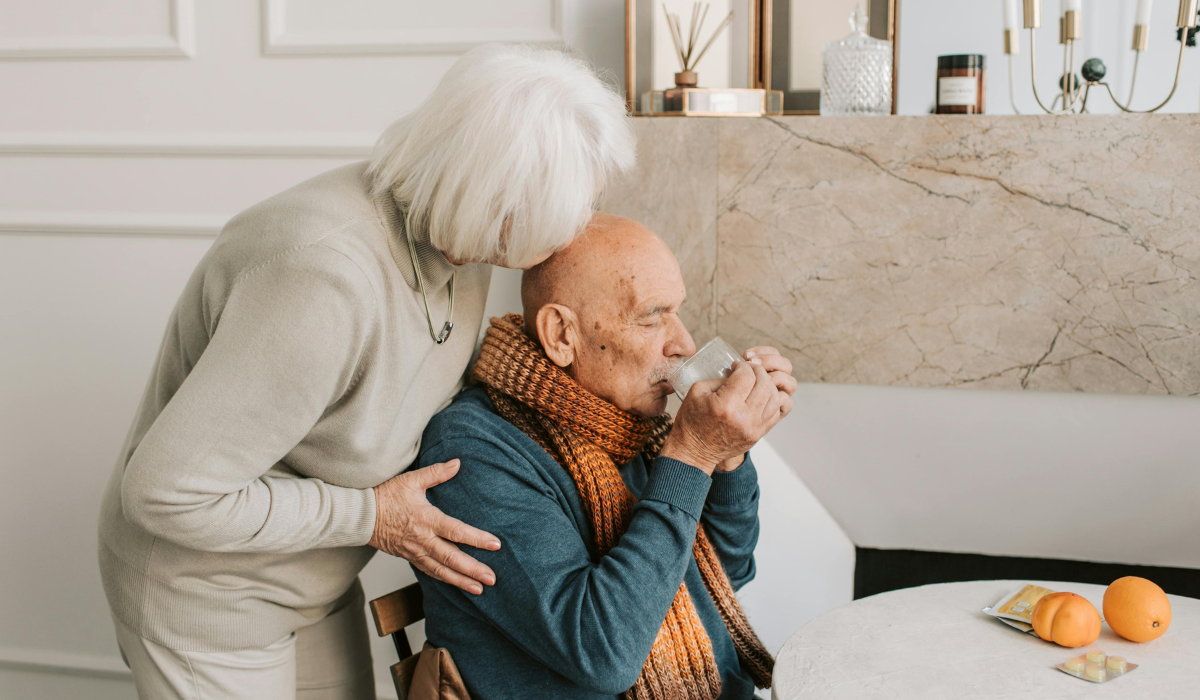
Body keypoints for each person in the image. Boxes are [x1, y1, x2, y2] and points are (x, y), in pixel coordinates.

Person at [97, 45, 634, 699]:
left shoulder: (463, 248)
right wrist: (371, 516)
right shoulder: (321, 279)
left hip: (314, 579)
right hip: (210, 601)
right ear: (500, 196)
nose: (582, 224)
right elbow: (165, 494)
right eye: (574, 203)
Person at [413, 213, 798, 699]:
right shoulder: (473, 454)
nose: (684, 344)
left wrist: (727, 457)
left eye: (677, 312)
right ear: (561, 335)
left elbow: (726, 573)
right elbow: (604, 653)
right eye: (652, 316)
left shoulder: (629, 422)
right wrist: (693, 454)